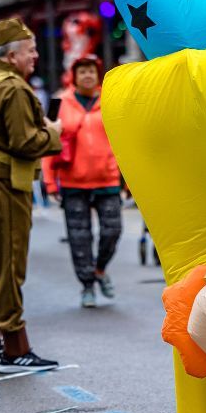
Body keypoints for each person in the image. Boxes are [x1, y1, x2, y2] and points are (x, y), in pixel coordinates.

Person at [0, 17, 62, 371]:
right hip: (3, 183)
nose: (35, 56)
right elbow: (25, 143)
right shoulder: (14, 88)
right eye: (30, 50)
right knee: (10, 265)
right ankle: (15, 348)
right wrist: (54, 133)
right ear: (10, 55)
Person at [44, 54, 122, 308]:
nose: (87, 75)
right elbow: (49, 141)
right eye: (82, 72)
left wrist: (129, 180)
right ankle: (87, 285)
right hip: (73, 182)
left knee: (113, 230)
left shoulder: (111, 98)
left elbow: (124, 141)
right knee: (79, 238)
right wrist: (49, 182)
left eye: (91, 71)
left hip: (107, 178)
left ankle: (99, 269)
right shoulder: (59, 102)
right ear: (73, 76)